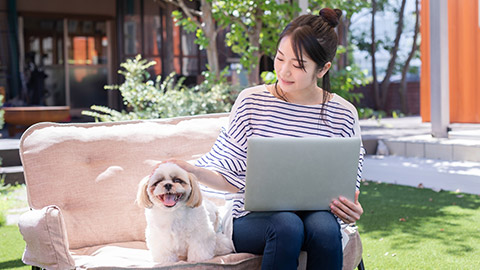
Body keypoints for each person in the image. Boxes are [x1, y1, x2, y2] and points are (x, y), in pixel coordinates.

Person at [169, 7, 365, 270]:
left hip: (318, 216)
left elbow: (347, 185)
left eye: (297, 65)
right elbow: (230, 176)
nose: (283, 72)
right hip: (251, 220)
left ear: (322, 69)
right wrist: (193, 171)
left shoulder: (343, 114)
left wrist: (351, 206)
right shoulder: (252, 102)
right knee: (287, 224)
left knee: (324, 228)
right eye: (279, 58)